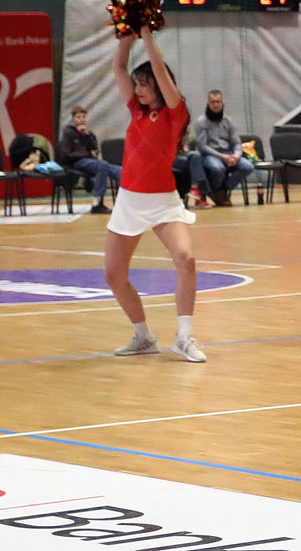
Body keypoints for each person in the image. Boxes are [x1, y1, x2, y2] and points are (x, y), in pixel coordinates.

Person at [104, 27, 205, 362]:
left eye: (144, 84)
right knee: (114, 275)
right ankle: (143, 336)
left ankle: (185, 337)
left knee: (186, 259)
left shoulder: (176, 113)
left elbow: (159, 70)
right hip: (129, 200)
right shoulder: (136, 108)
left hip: (163, 201)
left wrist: (147, 33)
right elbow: (119, 67)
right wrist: (127, 32)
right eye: (137, 84)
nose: (138, 89)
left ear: (160, 86)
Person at [191, 89, 254, 207]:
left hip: (228, 153)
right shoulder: (201, 122)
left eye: (218, 102)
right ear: (208, 103)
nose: (216, 105)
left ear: (222, 103)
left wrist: (236, 156)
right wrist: (223, 157)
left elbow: (236, 142)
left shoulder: (228, 121)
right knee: (217, 168)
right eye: (213, 102)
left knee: (248, 166)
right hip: (210, 155)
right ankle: (217, 191)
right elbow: (202, 146)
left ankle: (221, 190)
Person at [56, 105, 121, 214]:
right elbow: (67, 154)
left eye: (83, 117)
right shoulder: (68, 133)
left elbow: (95, 151)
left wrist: (87, 136)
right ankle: (97, 203)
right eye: (78, 117)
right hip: (76, 162)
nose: (81, 120)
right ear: (73, 119)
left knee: (119, 170)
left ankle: (122, 203)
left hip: (91, 162)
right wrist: (87, 154)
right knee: (103, 165)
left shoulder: (89, 134)